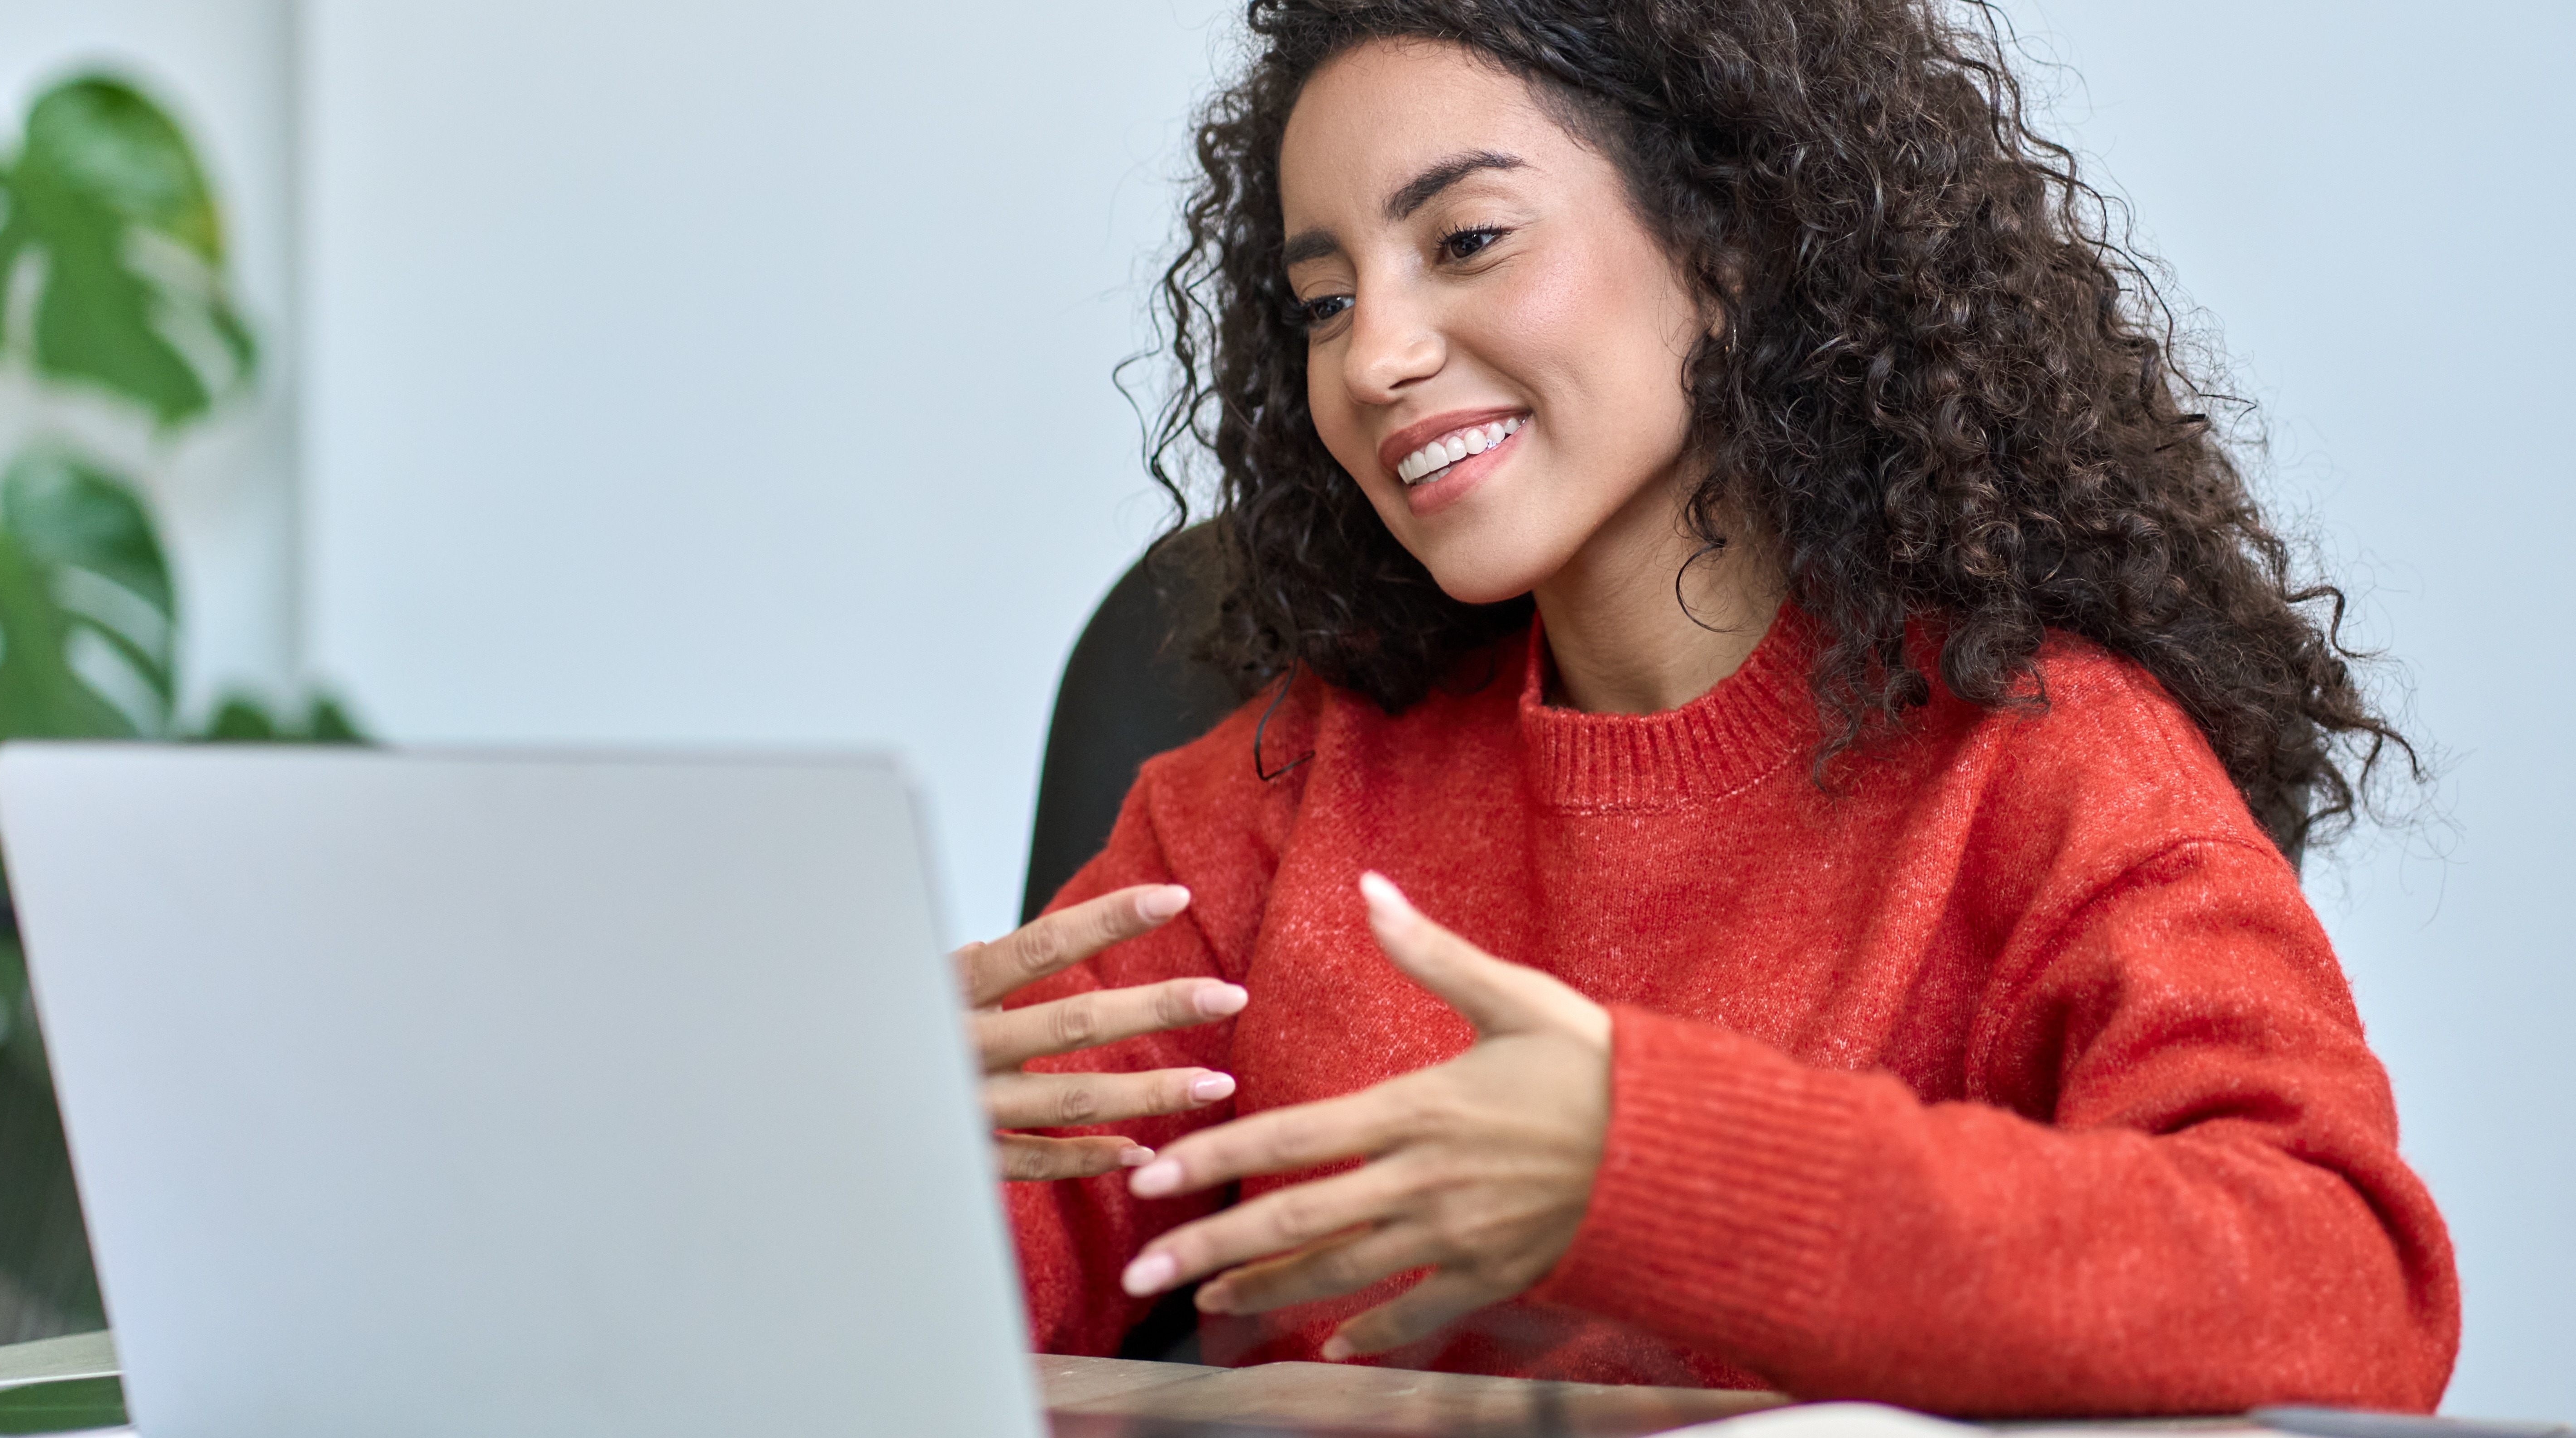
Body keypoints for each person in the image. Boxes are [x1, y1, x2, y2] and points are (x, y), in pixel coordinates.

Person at [949, 0, 2458, 1416]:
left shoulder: (2045, 763)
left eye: (1467, 239)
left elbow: (2346, 1285)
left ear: (1730, 239)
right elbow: (939, 1299)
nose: (1375, 359)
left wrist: (1661, 1171)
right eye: (1324, 299)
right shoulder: (1272, 797)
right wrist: (860, 1137)